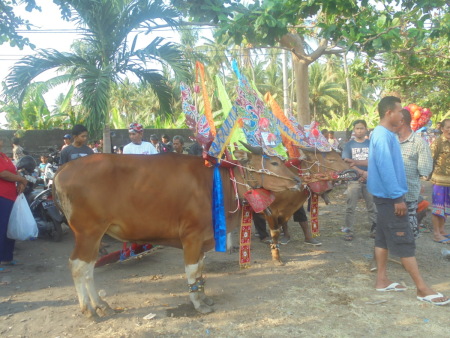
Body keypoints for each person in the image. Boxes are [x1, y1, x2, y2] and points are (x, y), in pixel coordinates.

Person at [368, 96, 449, 305]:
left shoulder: (384, 134)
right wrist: (398, 198)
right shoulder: (383, 136)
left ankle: (382, 280)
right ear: (389, 113)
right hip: (389, 198)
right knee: (404, 242)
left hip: (385, 197)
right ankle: (422, 289)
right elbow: (386, 169)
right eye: (398, 111)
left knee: (383, 239)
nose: (402, 115)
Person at [397, 109, 433, 238]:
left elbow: (425, 170)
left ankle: (407, 255)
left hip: (409, 195)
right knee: (392, 230)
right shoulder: (391, 141)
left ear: (401, 121)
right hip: (389, 194)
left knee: (409, 232)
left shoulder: (419, 143)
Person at [341, 120, 377, 240]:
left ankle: (375, 229)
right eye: (357, 128)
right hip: (353, 180)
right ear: (354, 130)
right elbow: (347, 163)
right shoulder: (349, 145)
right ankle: (348, 230)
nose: (359, 130)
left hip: (370, 180)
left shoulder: (371, 144)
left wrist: (368, 173)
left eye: (362, 128)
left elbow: (375, 161)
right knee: (350, 207)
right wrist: (362, 172)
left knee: (372, 206)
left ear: (366, 129)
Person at [0, 136, 28, 267]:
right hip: (2, 197)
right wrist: (21, 180)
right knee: (2, 228)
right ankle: (2, 260)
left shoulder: (4, 156)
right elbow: (3, 173)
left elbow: (14, 171)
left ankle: (7, 257)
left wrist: (20, 182)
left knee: (9, 227)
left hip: (11, 196)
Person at [429, 118, 450, 244]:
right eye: (448, 127)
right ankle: (436, 234)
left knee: (446, 207)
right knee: (438, 208)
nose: (449, 130)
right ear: (442, 129)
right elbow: (431, 159)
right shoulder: (437, 142)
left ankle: (442, 230)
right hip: (439, 181)